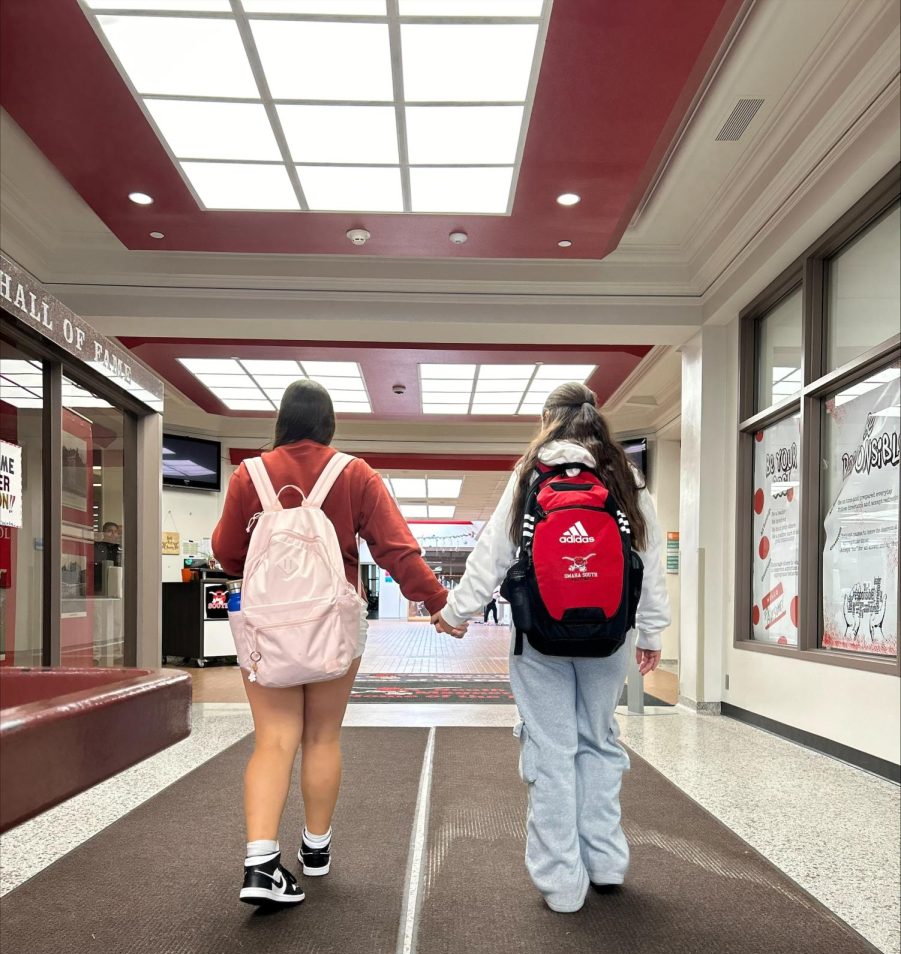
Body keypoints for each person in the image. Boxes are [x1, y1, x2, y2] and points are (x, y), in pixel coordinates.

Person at [433, 382, 670, 913]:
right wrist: (651, 631)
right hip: (611, 635)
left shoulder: (529, 474)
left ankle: (563, 883)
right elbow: (648, 560)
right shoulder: (625, 477)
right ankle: (606, 862)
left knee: (551, 748)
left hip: (539, 636)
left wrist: (456, 614)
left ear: (547, 419)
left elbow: (492, 553)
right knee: (600, 740)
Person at [212, 380, 449, 907]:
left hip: (267, 628)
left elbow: (228, 555)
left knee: (274, 738)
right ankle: (315, 851)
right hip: (332, 624)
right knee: (321, 737)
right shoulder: (354, 473)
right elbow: (396, 549)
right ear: (329, 423)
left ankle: (261, 864)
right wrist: (437, 603)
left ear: (282, 421)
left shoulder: (248, 475)